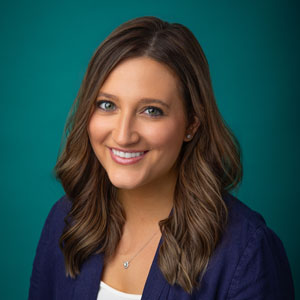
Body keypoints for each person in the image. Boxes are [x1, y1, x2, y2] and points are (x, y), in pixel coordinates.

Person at [28, 16, 295, 299]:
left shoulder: (248, 252)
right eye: (107, 105)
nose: (123, 135)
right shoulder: (66, 220)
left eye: (151, 110)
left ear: (192, 123)